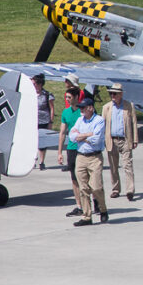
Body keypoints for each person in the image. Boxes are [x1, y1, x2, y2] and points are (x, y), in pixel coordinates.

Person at [68, 98, 109, 226]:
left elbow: (96, 140)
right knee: (83, 188)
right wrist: (87, 135)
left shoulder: (99, 120)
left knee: (96, 187)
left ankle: (103, 209)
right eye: (80, 107)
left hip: (94, 158)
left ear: (91, 108)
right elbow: (72, 136)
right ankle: (87, 216)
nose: (81, 110)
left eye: (83, 107)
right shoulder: (80, 120)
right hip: (80, 157)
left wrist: (81, 136)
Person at [102, 83, 138, 201]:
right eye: (111, 93)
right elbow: (103, 125)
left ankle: (130, 190)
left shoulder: (129, 106)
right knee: (113, 167)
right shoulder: (106, 107)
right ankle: (116, 189)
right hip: (112, 140)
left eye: (115, 93)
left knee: (128, 165)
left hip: (125, 140)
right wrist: (102, 140)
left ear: (121, 94)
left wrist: (135, 139)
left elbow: (133, 123)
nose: (113, 95)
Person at [58, 87, 87, 217]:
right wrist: (60, 152)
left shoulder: (83, 111)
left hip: (83, 148)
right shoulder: (65, 113)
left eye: (69, 97)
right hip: (71, 149)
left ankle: (94, 202)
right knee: (74, 179)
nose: (67, 100)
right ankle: (79, 206)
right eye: (66, 97)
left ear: (76, 97)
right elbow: (63, 132)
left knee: (86, 178)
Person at [33, 74, 55, 169]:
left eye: (34, 84)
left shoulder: (47, 95)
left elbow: (51, 108)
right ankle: (33, 160)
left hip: (44, 120)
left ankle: (42, 162)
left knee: (42, 142)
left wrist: (51, 121)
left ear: (40, 84)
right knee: (32, 142)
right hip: (33, 121)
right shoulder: (30, 93)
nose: (33, 85)